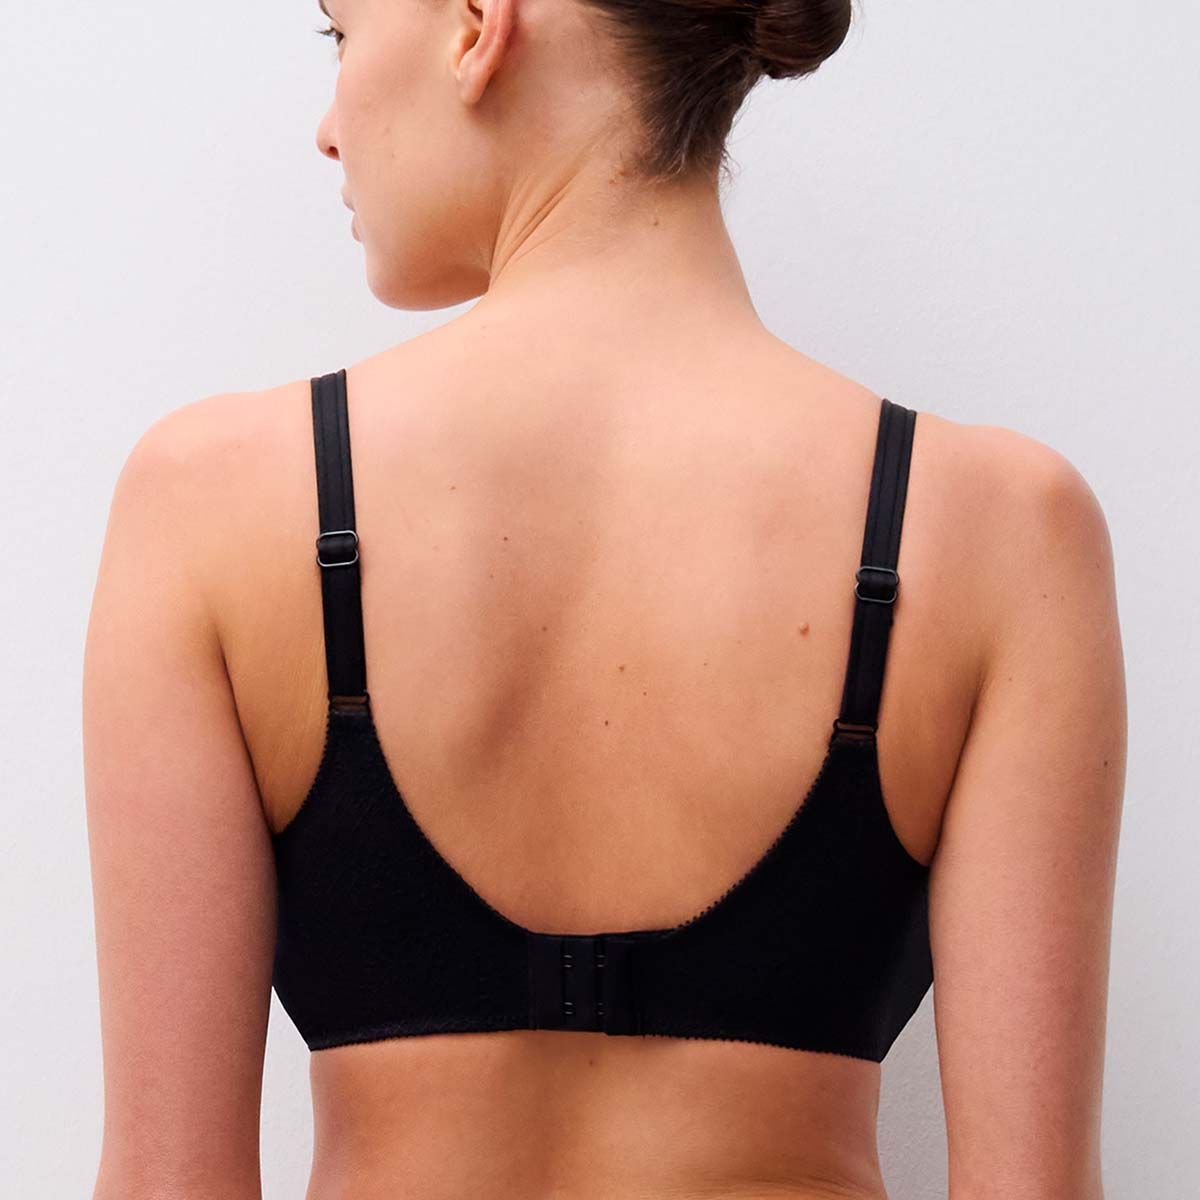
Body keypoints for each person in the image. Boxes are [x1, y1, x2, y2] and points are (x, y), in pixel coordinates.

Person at [82, 1, 1126, 1197]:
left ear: (477, 25)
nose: (328, 126)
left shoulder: (209, 503)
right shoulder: (1003, 531)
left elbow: (166, 1182)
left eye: (339, 32)